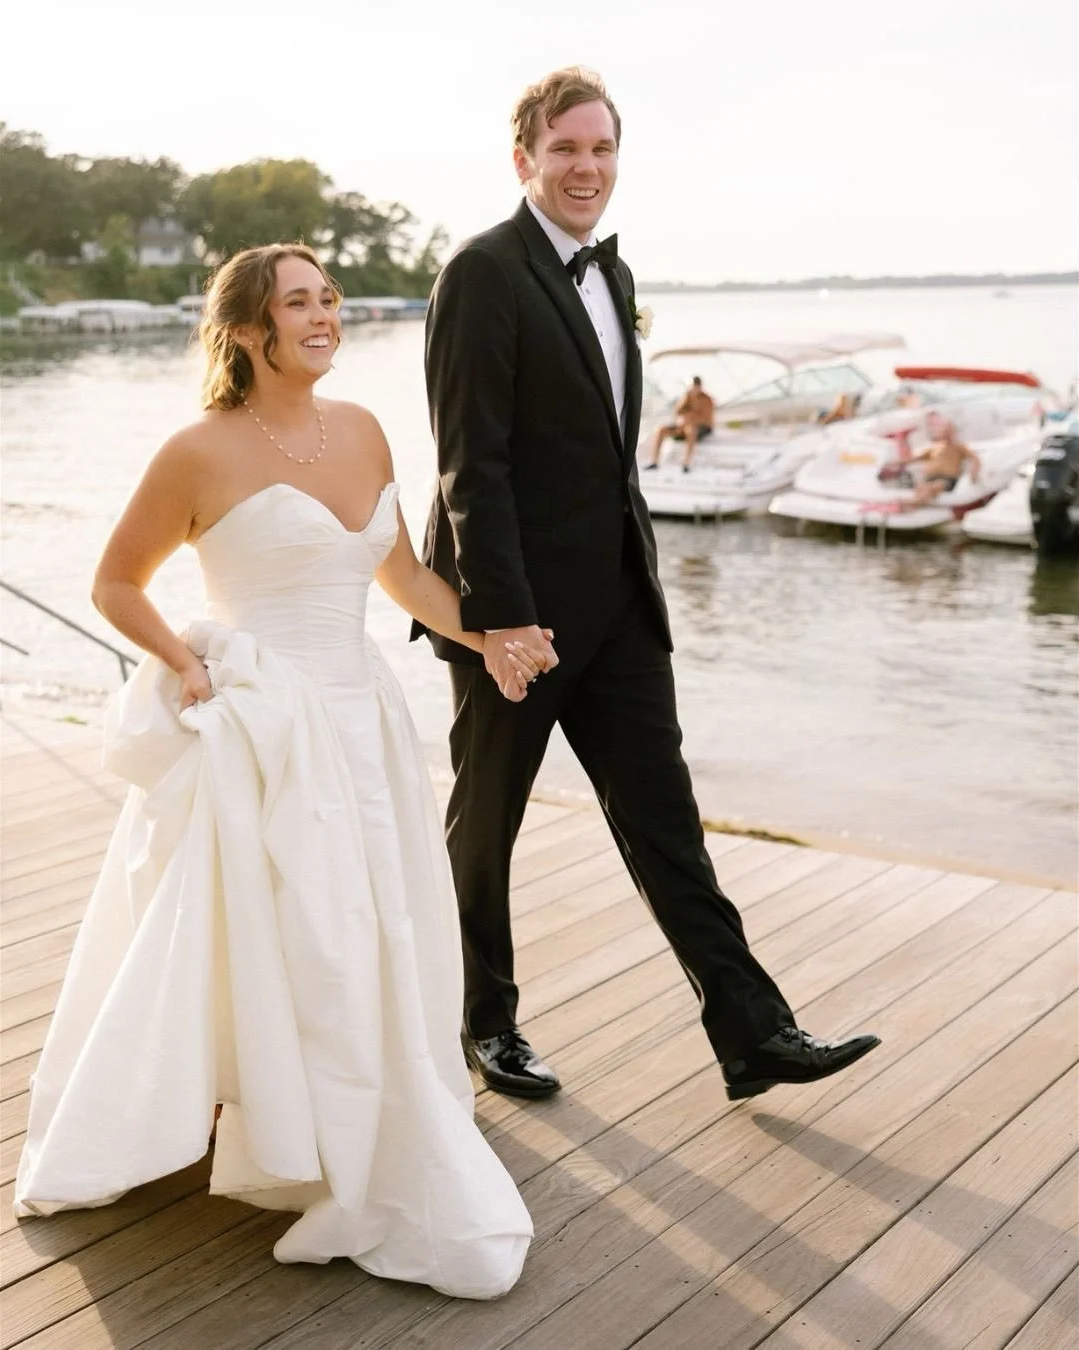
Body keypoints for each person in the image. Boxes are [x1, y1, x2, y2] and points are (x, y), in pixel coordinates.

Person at [13, 243, 539, 1301]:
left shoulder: (366, 430)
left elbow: (402, 579)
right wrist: (183, 663)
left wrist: (490, 639)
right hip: (260, 729)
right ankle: (257, 1113)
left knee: (367, 929)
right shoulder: (198, 450)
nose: (325, 315)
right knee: (272, 930)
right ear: (247, 331)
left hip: (364, 727)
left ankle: (342, 1115)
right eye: (299, 302)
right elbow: (116, 581)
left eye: (329, 298)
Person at [414, 68, 880, 1103]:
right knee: (486, 825)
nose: (587, 168)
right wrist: (502, 618)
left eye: (603, 149)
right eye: (567, 149)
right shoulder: (482, 273)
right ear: (524, 158)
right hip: (517, 621)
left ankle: (754, 1033)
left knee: (667, 821)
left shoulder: (612, 279)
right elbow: (468, 463)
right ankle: (485, 1026)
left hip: (621, 608)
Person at [905, 409, 982, 507]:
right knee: (922, 486)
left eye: (948, 430)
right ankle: (916, 503)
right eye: (944, 430)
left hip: (946, 479)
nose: (946, 432)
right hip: (930, 478)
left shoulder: (959, 446)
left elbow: (975, 458)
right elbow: (915, 459)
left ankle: (913, 503)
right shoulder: (934, 447)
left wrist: (974, 472)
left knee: (934, 486)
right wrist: (894, 463)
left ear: (953, 432)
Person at [644, 375, 715, 471]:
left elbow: (706, 419)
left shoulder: (707, 399)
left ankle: (686, 463)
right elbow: (678, 412)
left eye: (696, 386)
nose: (694, 389)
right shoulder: (686, 396)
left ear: (700, 386)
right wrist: (685, 415)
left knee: (691, 430)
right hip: (683, 426)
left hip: (701, 428)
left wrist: (689, 418)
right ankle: (654, 462)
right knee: (661, 429)